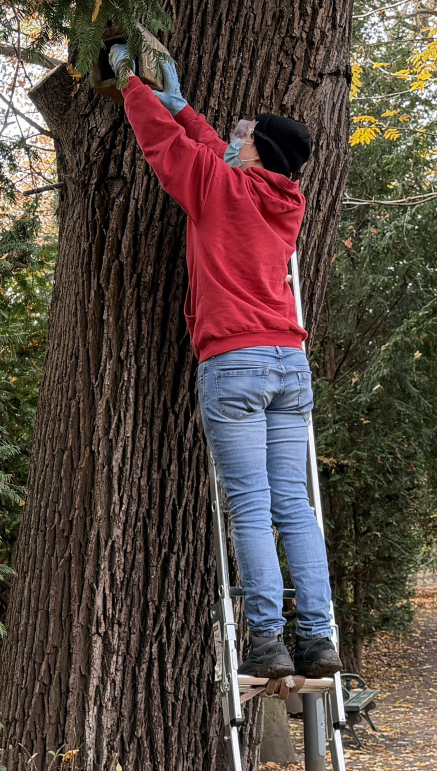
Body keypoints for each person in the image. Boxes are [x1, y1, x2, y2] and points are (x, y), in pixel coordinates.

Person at [109, 45, 342, 679]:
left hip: (235, 362)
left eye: (247, 138)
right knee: (292, 503)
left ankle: (266, 639)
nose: (236, 140)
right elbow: (212, 154)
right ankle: (318, 640)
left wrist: (131, 84)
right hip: (288, 363)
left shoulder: (219, 188)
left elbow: (167, 152)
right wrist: (187, 110)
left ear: (260, 152)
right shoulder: (283, 201)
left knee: (249, 505)